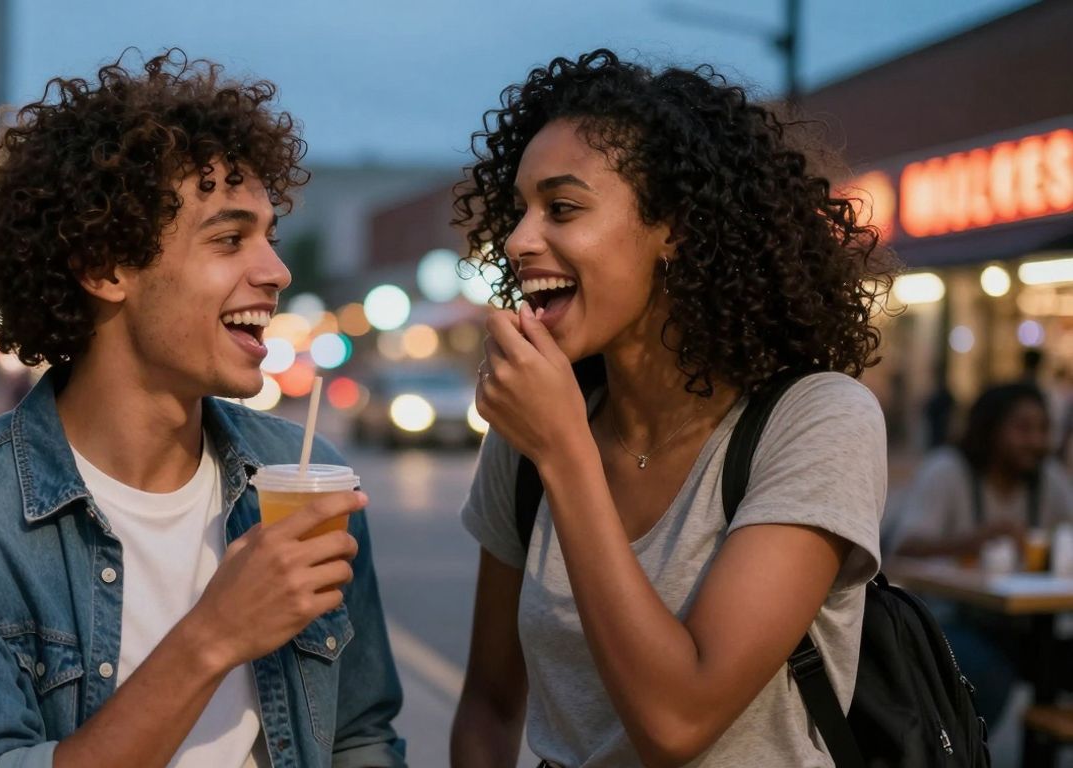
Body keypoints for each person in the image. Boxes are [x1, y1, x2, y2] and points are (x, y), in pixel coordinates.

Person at [0, 50, 404, 768]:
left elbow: (360, 735)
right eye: (230, 239)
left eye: (269, 235)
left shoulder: (301, 475)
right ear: (106, 267)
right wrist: (213, 635)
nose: (276, 271)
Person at [448, 51, 893, 767]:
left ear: (676, 228)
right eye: (520, 209)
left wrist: (564, 452)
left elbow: (677, 720)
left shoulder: (816, 421)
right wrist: (554, 440)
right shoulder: (535, 432)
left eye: (561, 208)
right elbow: (490, 704)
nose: (519, 240)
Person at [893, 382, 1073, 722]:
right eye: (1022, 429)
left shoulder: (1048, 479)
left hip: (1031, 625)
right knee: (986, 676)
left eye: (1043, 429)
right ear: (990, 428)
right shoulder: (947, 470)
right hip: (951, 619)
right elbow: (904, 548)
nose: (1036, 441)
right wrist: (977, 538)